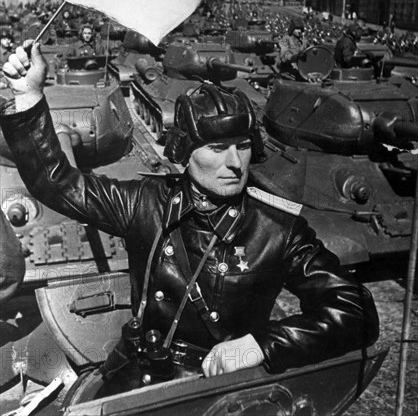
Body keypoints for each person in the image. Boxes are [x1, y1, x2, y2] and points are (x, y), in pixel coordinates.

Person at [0, 41, 379, 380]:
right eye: (217, 149)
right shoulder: (145, 203)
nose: (235, 163)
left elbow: (356, 310)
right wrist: (29, 94)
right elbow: (58, 182)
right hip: (140, 372)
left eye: (242, 146)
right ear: (184, 153)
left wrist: (262, 344)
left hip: (217, 384)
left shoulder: (276, 229)